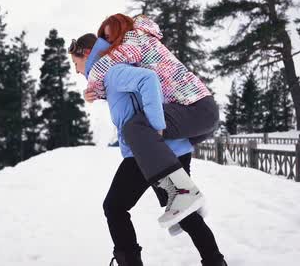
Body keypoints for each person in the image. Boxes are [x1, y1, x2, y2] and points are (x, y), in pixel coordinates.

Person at [69, 34, 227, 266]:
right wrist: (93, 92)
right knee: (184, 211)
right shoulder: (110, 69)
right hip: (163, 149)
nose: (76, 71)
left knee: (114, 207)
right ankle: (215, 261)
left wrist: (157, 127)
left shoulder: (112, 71)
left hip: (148, 151)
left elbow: (148, 79)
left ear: (85, 53)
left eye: (75, 63)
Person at [85, 14, 220, 228]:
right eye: (106, 39)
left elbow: (105, 65)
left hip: (196, 109)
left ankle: (185, 196)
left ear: (122, 30)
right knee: (145, 133)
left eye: (110, 38)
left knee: (136, 126)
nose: (110, 44)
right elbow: (122, 81)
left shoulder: (135, 38)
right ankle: (189, 208)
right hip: (199, 112)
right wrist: (99, 92)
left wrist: (92, 80)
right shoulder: (143, 41)